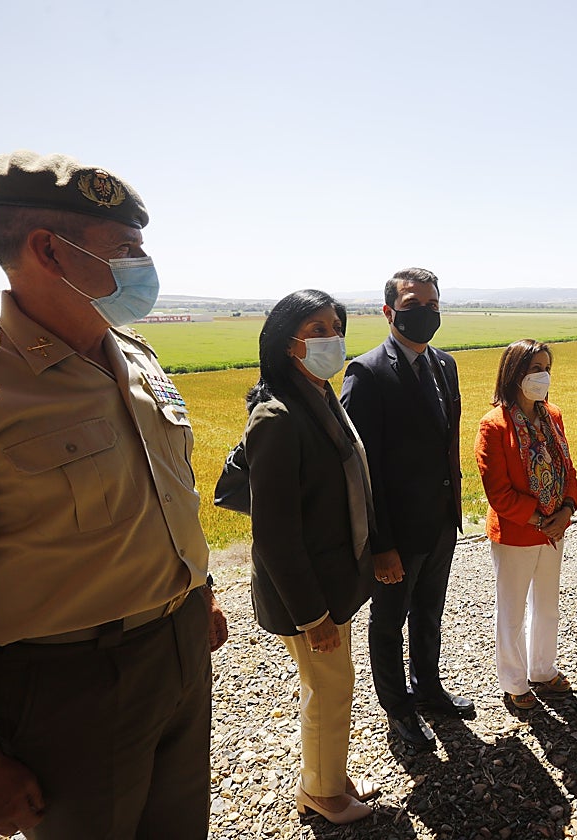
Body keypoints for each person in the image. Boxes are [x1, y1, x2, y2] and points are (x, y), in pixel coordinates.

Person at [0, 151, 228, 839]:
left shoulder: (133, 356)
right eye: (126, 249)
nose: (143, 266)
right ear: (48, 250)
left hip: (176, 650)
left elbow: (169, 492)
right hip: (65, 685)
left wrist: (197, 592)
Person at [242, 290, 377, 825]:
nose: (331, 337)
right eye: (316, 328)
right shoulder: (277, 417)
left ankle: (326, 772)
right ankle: (323, 793)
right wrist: (312, 615)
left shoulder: (321, 398)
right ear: (286, 340)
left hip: (331, 581)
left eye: (335, 326)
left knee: (328, 684)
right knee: (330, 688)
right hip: (310, 594)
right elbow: (274, 533)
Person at [340, 267, 471, 751]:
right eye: (415, 304)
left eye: (433, 304)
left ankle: (429, 688)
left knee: (430, 613)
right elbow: (360, 469)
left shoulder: (445, 365)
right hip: (396, 532)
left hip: (440, 522)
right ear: (388, 311)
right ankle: (398, 709)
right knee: (388, 620)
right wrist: (381, 545)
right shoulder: (367, 373)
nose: (427, 313)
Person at [475, 340, 577, 710]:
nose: (542, 375)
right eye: (534, 368)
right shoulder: (494, 425)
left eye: (546, 367)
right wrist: (539, 519)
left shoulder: (553, 416)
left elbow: (568, 469)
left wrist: (565, 511)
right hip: (518, 532)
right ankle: (515, 681)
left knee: (548, 605)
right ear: (515, 373)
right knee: (513, 610)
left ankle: (542, 669)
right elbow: (498, 491)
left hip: (554, 531)